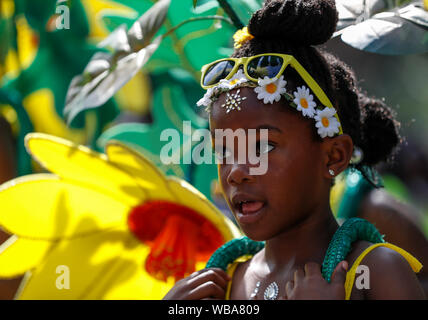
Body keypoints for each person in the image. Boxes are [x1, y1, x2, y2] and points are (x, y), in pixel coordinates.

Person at [163, 0, 425, 300]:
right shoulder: (222, 283)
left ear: (333, 156)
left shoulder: (375, 271)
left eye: (263, 146)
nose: (235, 172)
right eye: (224, 151)